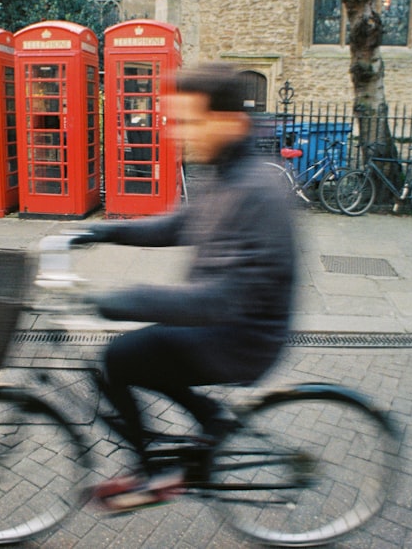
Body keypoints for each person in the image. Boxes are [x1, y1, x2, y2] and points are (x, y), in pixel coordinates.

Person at [74, 62, 297, 510]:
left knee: (121, 357)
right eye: (174, 120)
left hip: (242, 337)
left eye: (189, 121)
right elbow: (179, 224)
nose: (177, 133)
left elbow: (223, 298)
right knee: (136, 355)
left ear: (230, 121)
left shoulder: (258, 189)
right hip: (220, 323)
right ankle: (206, 419)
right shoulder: (226, 172)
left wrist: (121, 301)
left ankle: (151, 472)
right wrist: (103, 232)